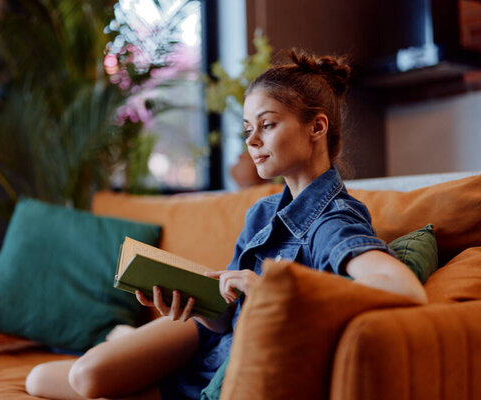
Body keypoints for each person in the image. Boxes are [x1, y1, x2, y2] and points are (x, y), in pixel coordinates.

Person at [25, 49, 428, 400]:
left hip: (229, 362)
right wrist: (196, 303)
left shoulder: (334, 220)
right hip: (210, 337)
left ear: (317, 127)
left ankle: (125, 344)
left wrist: (278, 294)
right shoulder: (262, 212)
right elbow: (226, 316)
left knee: (79, 379)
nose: (252, 142)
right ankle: (124, 340)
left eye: (267, 125)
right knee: (42, 378)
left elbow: (404, 290)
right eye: (248, 129)